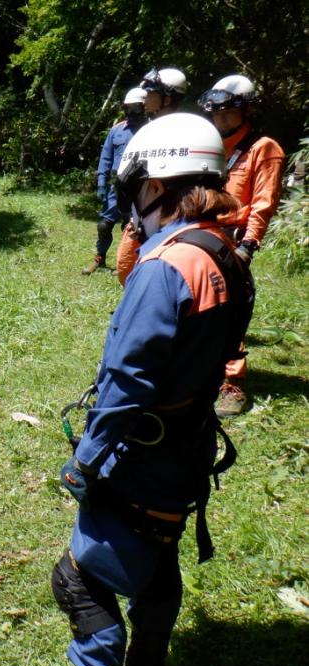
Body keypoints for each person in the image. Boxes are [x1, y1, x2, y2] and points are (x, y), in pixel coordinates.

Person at [53, 113, 254, 666]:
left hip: (141, 454)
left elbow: (127, 380)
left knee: (77, 580)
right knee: (157, 552)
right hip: (188, 445)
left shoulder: (165, 266)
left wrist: (86, 462)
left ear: (156, 185)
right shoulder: (227, 255)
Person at [198, 74, 285, 416]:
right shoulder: (207, 142)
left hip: (232, 238)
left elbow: (265, 200)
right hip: (198, 232)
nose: (219, 118)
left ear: (246, 110)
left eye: (226, 111)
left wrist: (249, 244)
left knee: (229, 308)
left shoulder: (263, 148)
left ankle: (231, 382)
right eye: (214, 112)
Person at [114, 68, 189, 283]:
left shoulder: (185, 129)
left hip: (169, 213)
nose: (145, 98)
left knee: (160, 272)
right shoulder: (148, 128)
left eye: (150, 93)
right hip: (140, 212)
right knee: (126, 268)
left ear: (166, 99)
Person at [83, 88, 148, 275]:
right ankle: (99, 259)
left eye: (137, 108)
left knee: (131, 227)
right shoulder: (117, 130)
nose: (132, 113)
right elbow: (105, 158)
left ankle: (127, 264)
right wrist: (101, 184)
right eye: (129, 108)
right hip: (117, 186)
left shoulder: (152, 129)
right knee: (104, 224)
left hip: (142, 186)